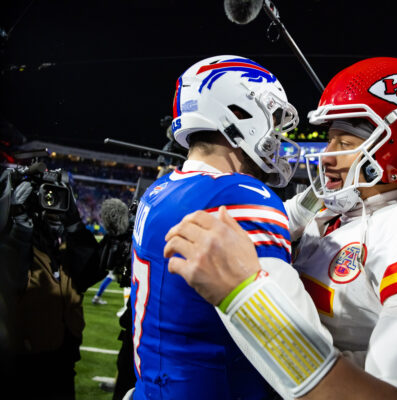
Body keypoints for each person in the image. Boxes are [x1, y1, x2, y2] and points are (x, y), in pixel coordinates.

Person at [165, 57, 397, 399]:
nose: (327, 155)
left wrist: (249, 297)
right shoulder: (322, 209)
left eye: (345, 144)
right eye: (330, 139)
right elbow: (265, 221)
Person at [129, 55, 318, 399]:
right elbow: (301, 348)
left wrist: (313, 203)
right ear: (239, 115)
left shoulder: (160, 190)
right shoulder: (244, 195)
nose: (275, 136)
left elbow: (239, 227)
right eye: (271, 121)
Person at [0, 166, 105, 399]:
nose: (50, 204)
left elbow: (92, 270)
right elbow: (13, 278)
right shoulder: (14, 243)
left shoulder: (63, 250)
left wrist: (75, 223)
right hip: (18, 372)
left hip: (62, 368)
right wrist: (18, 221)